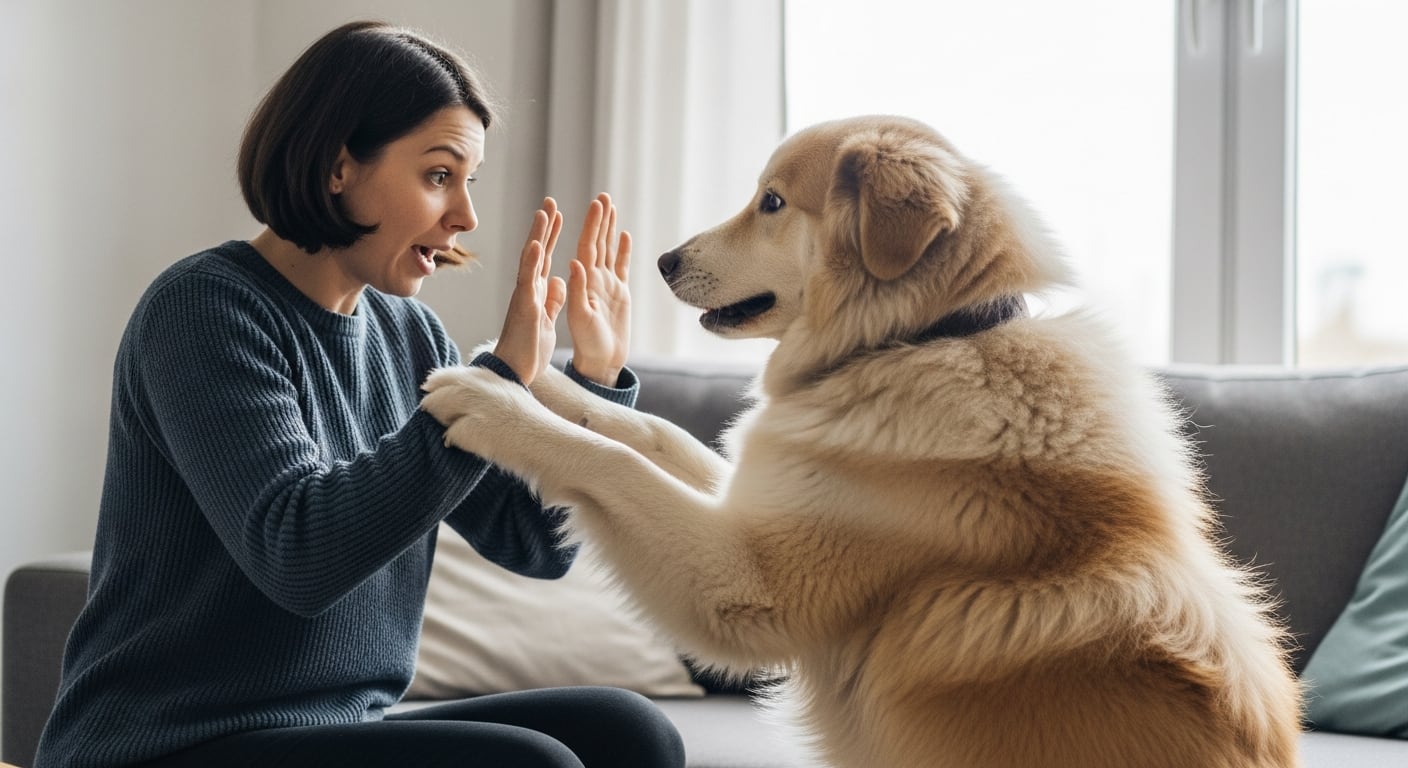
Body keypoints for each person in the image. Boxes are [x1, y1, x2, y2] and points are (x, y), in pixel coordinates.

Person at [33, 20, 684, 768]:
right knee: (532, 764)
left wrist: (595, 383)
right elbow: (299, 556)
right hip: (167, 743)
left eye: (469, 181)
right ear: (339, 167)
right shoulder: (203, 310)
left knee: (630, 731)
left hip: (338, 727)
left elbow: (534, 543)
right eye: (440, 176)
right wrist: (494, 387)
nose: (466, 215)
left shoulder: (415, 338)